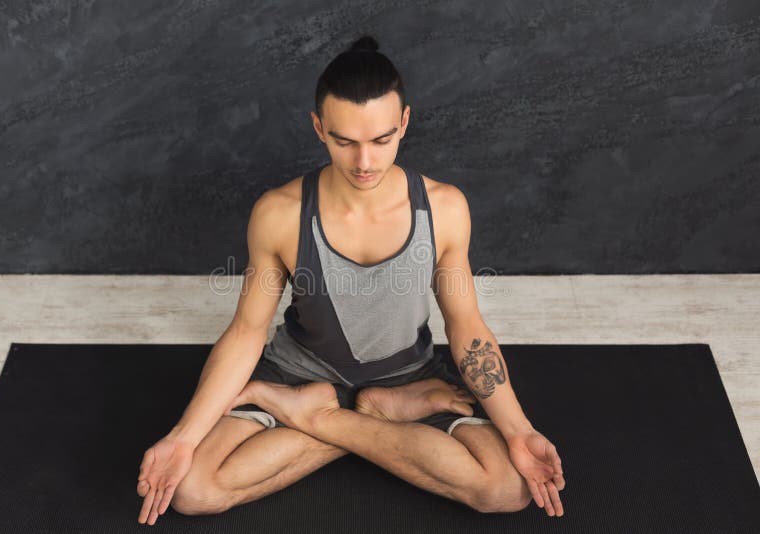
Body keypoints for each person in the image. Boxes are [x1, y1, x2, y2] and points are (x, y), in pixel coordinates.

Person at [136, 34, 565, 526]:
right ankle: (367, 417)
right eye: (345, 141)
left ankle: (330, 415)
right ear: (319, 128)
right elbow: (247, 330)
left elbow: (467, 325)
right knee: (193, 488)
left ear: (404, 122)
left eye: (381, 140)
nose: (365, 162)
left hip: (407, 377)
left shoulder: (444, 208)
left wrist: (519, 430)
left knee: (506, 487)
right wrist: (183, 438)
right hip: (299, 372)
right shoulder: (279, 213)